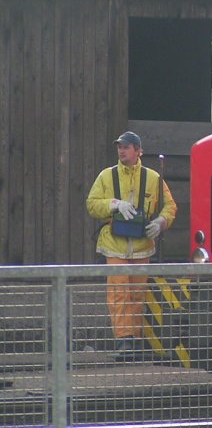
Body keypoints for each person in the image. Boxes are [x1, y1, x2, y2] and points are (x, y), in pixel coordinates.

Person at [86, 131, 177, 360]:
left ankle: (135, 340)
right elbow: (92, 205)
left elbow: (170, 206)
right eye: (119, 147)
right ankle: (124, 339)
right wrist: (114, 204)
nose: (121, 150)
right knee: (119, 292)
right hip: (114, 244)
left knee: (137, 293)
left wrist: (160, 222)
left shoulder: (154, 178)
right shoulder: (107, 176)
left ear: (138, 151)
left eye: (126, 147)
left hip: (141, 245)